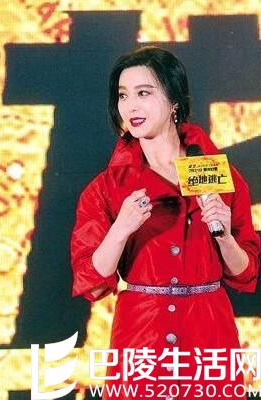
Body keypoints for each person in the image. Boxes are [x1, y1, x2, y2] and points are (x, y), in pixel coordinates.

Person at [70, 47, 259, 399]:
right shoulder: (108, 187)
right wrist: (121, 229)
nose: (131, 106)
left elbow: (246, 272)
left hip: (208, 332)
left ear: (174, 101)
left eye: (144, 93)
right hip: (140, 333)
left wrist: (224, 237)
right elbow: (91, 280)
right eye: (123, 96)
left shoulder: (219, 175)